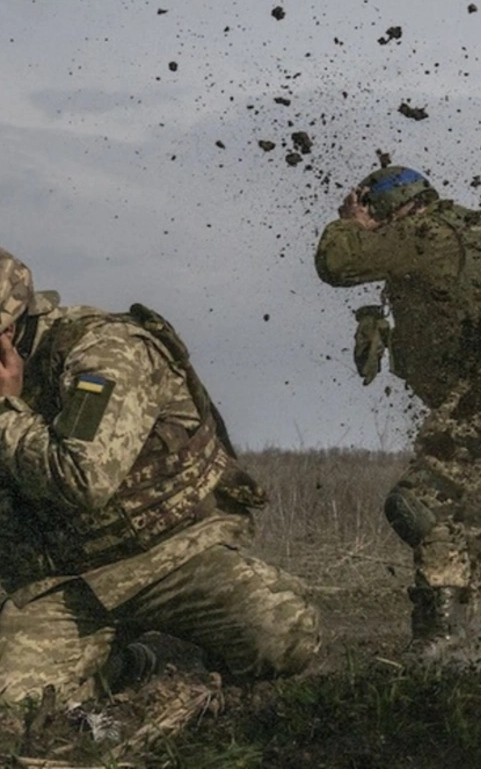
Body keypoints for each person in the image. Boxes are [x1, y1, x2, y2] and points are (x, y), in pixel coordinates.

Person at [0, 249, 319, 705]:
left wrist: (4, 411)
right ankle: (132, 665)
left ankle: (181, 653)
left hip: (172, 556)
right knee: (14, 701)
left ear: (8, 331)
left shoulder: (104, 353)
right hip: (72, 583)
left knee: (283, 633)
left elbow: (84, 478)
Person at [315, 164, 481, 643]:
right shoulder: (469, 231)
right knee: (456, 521)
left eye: (373, 207)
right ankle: (476, 641)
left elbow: (337, 263)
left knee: (419, 505)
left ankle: (450, 643)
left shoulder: (425, 233)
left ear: (389, 204)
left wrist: (350, 223)